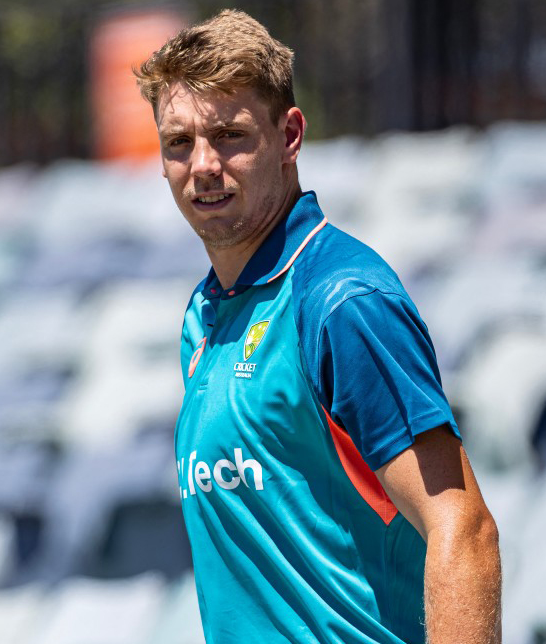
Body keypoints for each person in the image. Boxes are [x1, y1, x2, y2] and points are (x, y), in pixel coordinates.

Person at [135, 9, 501, 644]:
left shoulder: (341, 300)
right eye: (179, 143)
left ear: (290, 135)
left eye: (229, 136)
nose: (202, 165)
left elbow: (462, 528)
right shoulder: (204, 314)